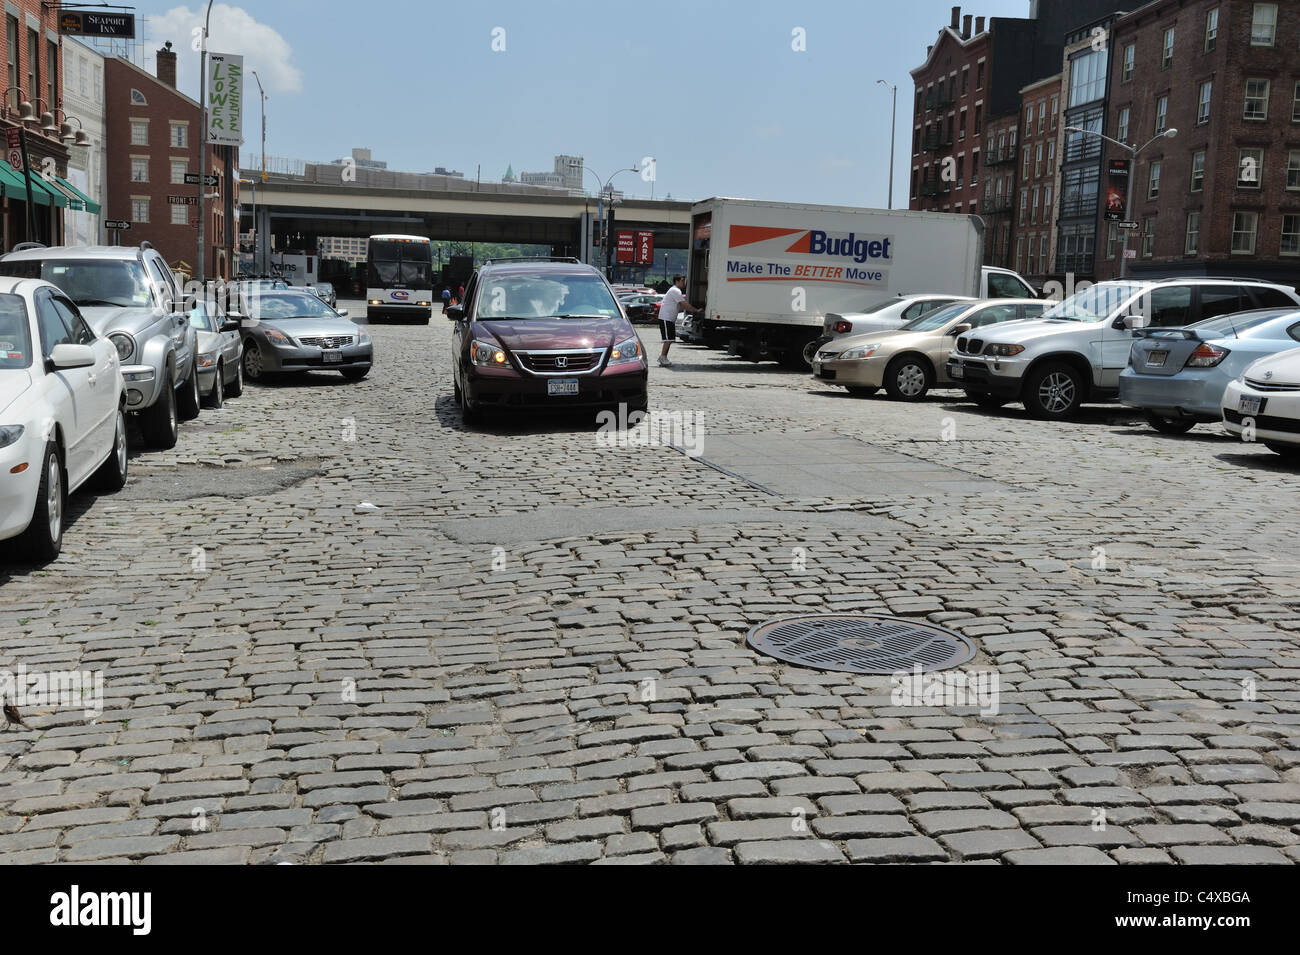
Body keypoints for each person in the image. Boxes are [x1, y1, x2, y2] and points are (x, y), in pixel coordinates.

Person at [657, 274, 701, 367]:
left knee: (670, 339)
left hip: (670, 318)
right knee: (668, 339)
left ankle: (663, 357)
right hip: (666, 317)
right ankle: (662, 357)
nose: (684, 282)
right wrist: (696, 310)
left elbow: (680, 307)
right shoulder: (675, 290)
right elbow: (684, 304)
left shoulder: (676, 291)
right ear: (677, 281)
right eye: (682, 280)